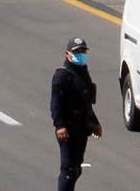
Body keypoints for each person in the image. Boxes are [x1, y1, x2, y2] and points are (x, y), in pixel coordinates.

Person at [50, 37, 102, 191]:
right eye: (77, 52)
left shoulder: (83, 74)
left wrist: (95, 123)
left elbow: (86, 103)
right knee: (68, 170)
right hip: (68, 130)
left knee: (76, 169)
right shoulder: (62, 76)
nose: (81, 54)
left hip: (81, 129)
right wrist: (60, 126)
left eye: (83, 51)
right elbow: (56, 104)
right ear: (67, 54)